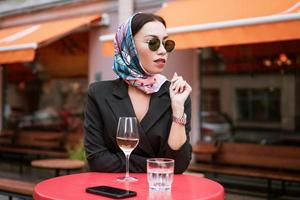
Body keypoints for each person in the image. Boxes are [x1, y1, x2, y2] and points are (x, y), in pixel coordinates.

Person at [84, 13, 192, 174]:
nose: (163, 51)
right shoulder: (99, 93)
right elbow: (97, 160)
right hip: (113, 192)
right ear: (129, 46)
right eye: (153, 42)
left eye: (166, 43)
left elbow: (179, 166)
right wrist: (157, 165)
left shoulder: (177, 94)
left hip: (158, 192)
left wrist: (177, 109)